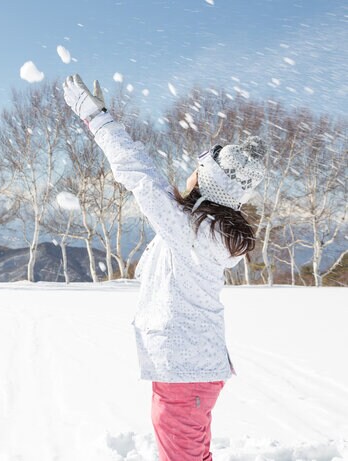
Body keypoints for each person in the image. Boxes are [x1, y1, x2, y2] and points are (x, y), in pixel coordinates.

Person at [63, 74, 266, 460]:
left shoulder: (188, 229)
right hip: (193, 371)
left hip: (184, 373)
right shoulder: (206, 231)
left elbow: (137, 171)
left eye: (197, 169)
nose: (189, 173)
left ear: (208, 184)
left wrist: (97, 119)